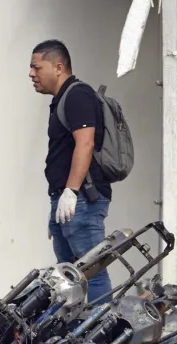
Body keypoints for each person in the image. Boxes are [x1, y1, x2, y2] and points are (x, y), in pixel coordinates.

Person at [29, 39, 113, 304]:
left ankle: (105, 337)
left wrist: (71, 192)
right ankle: (79, 337)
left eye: (36, 67)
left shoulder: (77, 95)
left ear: (58, 67)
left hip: (82, 200)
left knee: (92, 272)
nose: (31, 74)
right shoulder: (61, 99)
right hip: (66, 200)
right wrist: (59, 198)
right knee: (67, 276)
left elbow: (85, 143)